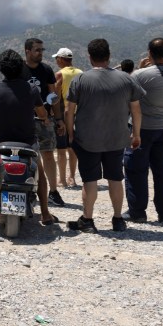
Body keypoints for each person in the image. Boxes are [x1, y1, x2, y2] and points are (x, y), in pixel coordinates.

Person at [0, 49, 57, 225]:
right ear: (20, 67)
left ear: (1, 69)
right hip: (27, 143)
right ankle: (45, 213)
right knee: (40, 171)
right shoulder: (31, 89)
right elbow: (42, 111)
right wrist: (44, 117)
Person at [64, 38, 144, 233]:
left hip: (87, 139)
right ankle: (118, 220)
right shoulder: (126, 79)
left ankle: (88, 220)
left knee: (90, 180)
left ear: (90, 57)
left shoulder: (80, 79)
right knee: (116, 179)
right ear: (109, 56)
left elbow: (69, 111)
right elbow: (136, 110)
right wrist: (136, 134)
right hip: (117, 138)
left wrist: (70, 134)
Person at [123, 39, 163, 223]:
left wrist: (138, 69)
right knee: (162, 170)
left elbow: (129, 94)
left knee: (135, 170)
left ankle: (137, 212)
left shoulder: (140, 75)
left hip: (143, 129)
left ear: (149, 53)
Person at [22, 38, 66, 210]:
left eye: (42, 50)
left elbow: (53, 96)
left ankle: (53, 192)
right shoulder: (19, 70)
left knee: (48, 155)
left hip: (45, 120)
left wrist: (59, 119)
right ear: (27, 51)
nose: (40, 53)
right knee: (25, 156)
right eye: (37, 50)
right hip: (24, 120)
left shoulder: (46, 70)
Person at [53, 48, 82, 189]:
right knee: (73, 148)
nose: (56, 61)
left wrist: (56, 118)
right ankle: (72, 178)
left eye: (56, 58)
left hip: (64, 115)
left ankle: (62, 179)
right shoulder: (81, 73)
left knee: (61, 148)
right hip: (78, 115)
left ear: (61, 59)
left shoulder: (59, 75)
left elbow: (56, 97)